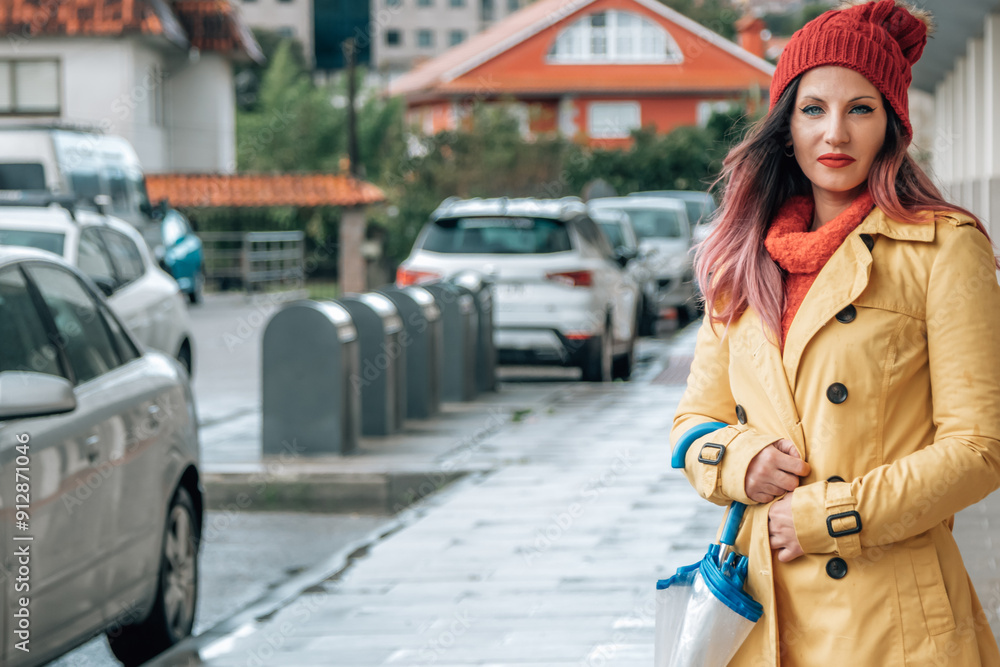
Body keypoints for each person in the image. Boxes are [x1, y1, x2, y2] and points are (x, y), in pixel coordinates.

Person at [670, 1, 1000, 665]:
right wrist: (740, 460)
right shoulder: (741, 256)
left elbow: (979, 448)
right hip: (760, 613)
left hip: (891, 620)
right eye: (814, 108)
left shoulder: (944, 247)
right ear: (786, 124)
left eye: (861, 109)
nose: (835, 133)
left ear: (892, 125)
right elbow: (694, 422)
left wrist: (834, 515)